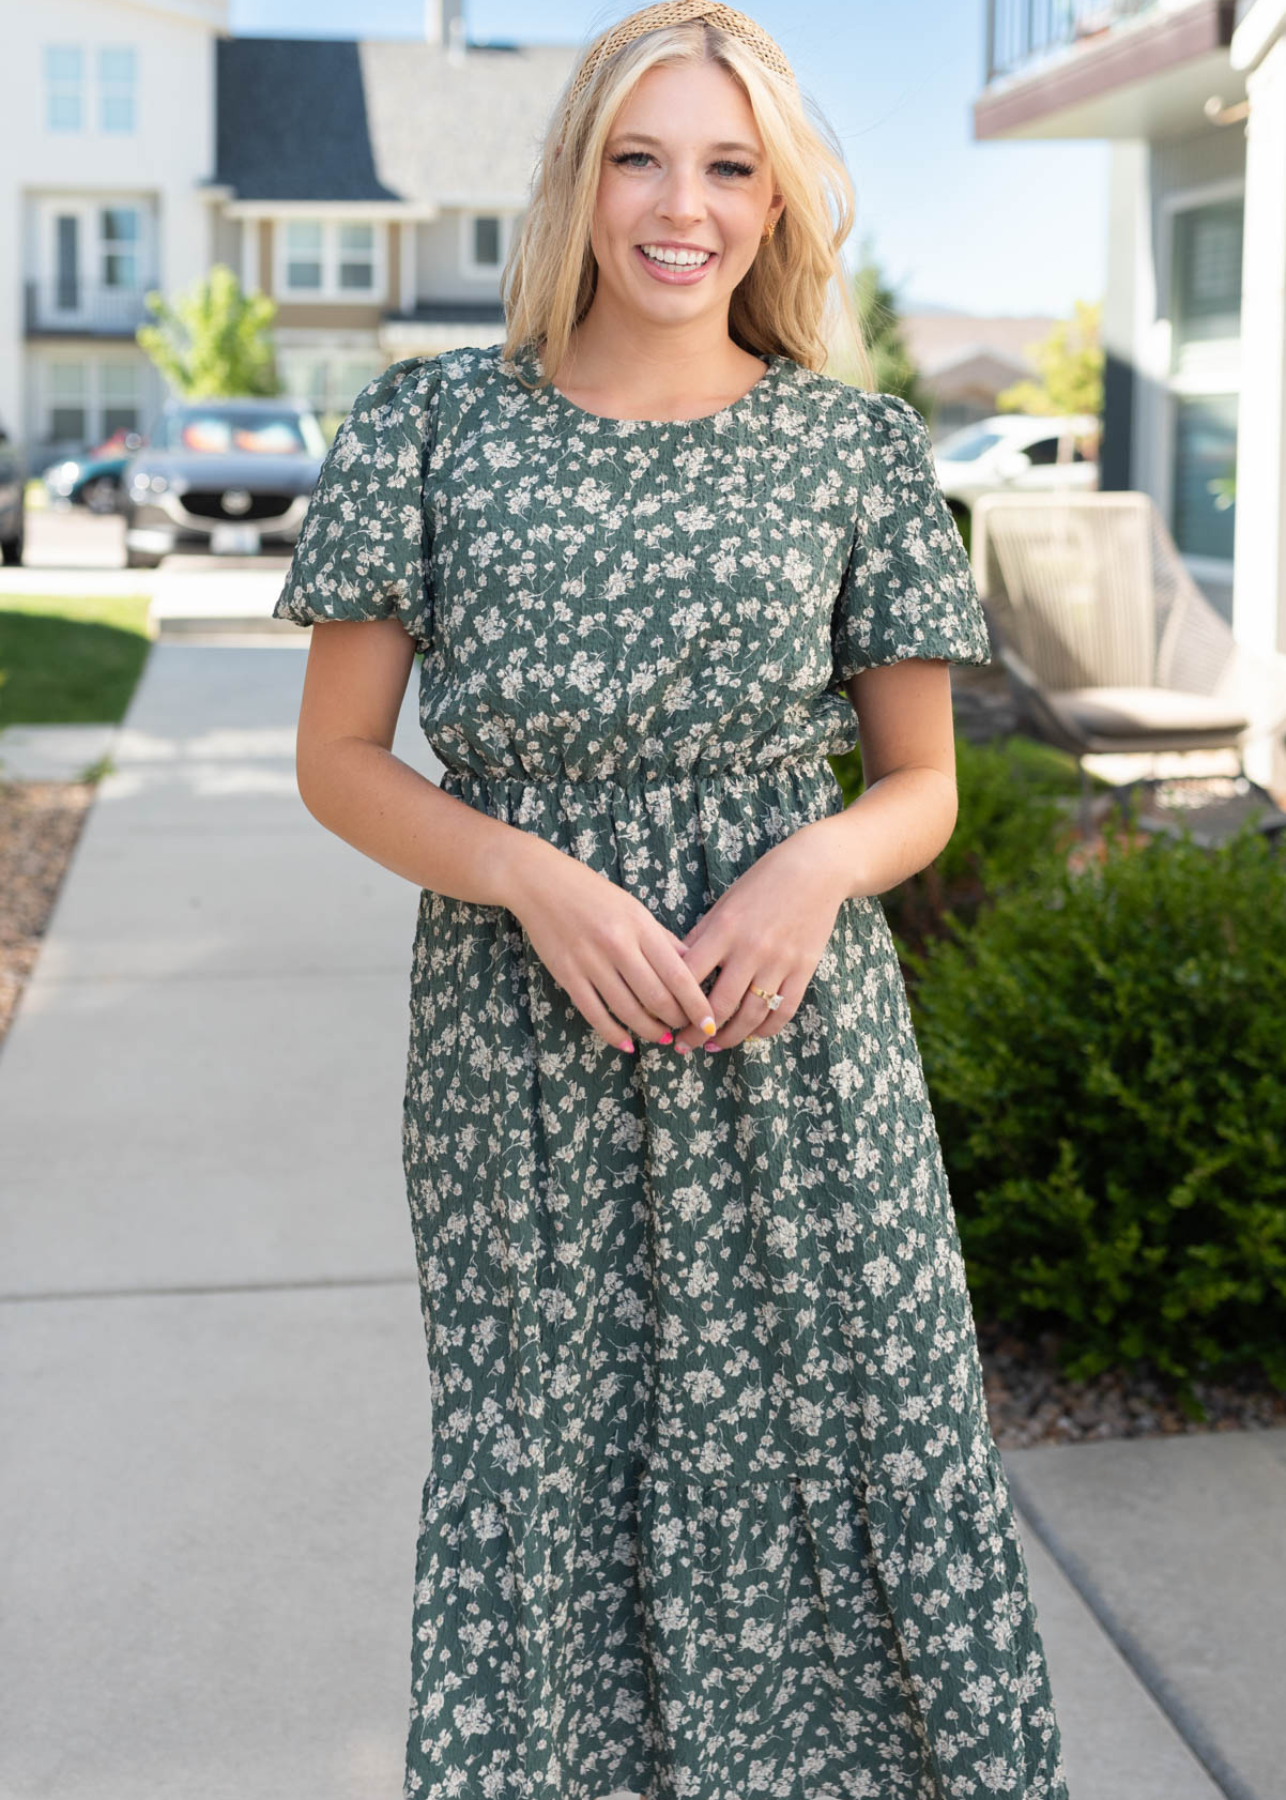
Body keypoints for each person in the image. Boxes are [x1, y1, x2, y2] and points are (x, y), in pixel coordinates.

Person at [272, 4, 1071, 1797]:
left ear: (778, 205)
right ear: (573, 178)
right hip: (520, 1071)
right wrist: (528, 879)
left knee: (853, 1466)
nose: (680, 206)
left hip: (800, 1057)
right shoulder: (429, 429)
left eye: (728, 165)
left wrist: (809, 868)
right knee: (544, 1473)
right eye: (639, 155)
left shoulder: (852, 451)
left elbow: (921, 785)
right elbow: (338, 759)